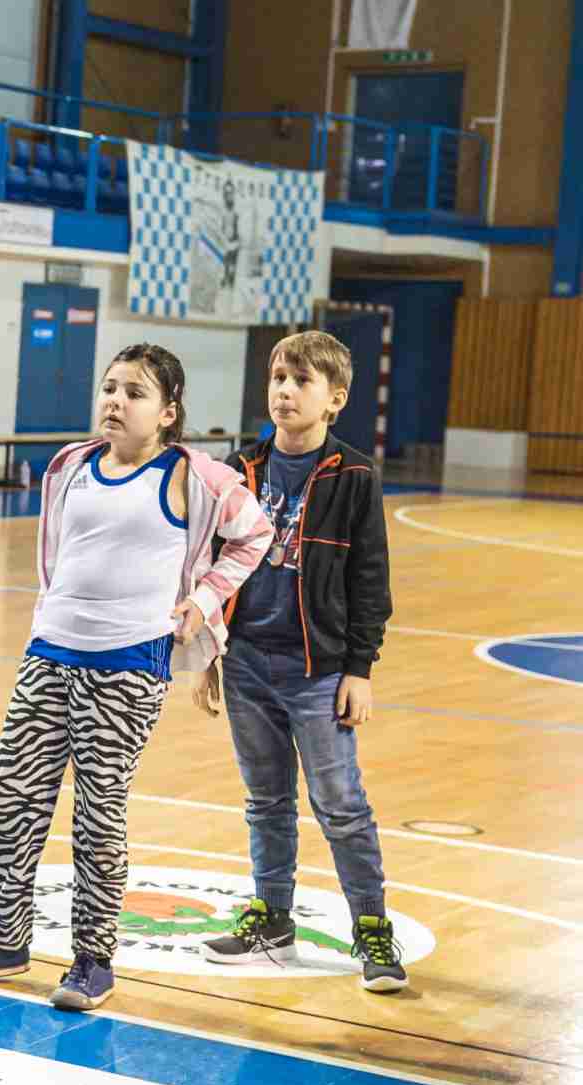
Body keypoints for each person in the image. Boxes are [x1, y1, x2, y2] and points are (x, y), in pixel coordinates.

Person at [0, 344, 274, 1011]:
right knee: (12, 798)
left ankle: (93, 959)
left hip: (129, 663)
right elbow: (59, 554)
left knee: (98, 813)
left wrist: (204, 600)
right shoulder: (71, 466)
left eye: (135, 392)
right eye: (110, 387)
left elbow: (254, 536)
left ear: (168, 412)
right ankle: (2, 942)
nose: (116, 400)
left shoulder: (193, 475)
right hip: (50, 651)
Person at [195, 331, 407, 993]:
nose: (285, 392)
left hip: (319, 671)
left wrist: (360, 669)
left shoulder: (354, 476)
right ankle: (272, 917)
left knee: (340, 804)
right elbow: (211, 565)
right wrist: (207, 652)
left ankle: (371, 927)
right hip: (246, 663)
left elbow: (370, 580)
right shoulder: (239, 469)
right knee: (265, 800)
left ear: (335, 399)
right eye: (278, 379)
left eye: (301, 382)